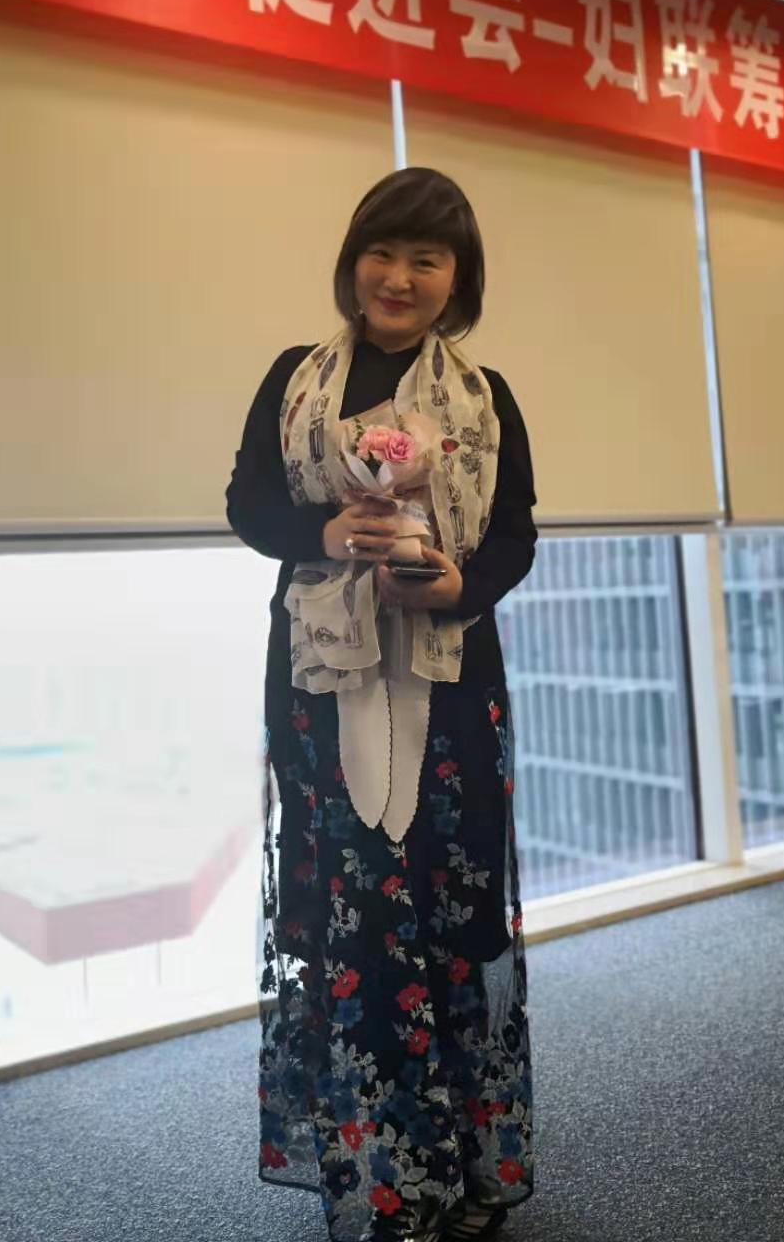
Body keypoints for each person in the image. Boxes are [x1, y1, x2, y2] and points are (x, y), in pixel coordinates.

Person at [226, 168, 536, 1242]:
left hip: (451, 687)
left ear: (459, 280)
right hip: (322, 685)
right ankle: (389, 1185)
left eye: (426, 259)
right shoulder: (294, 380)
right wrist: (323, 534)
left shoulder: (487, 398)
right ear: (353, 262)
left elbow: (515, 536)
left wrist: (459, 585)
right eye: (383, 252)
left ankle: (474, 1170)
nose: (399, 277)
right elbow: (247, 503)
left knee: (451, 923)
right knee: (352, 929)